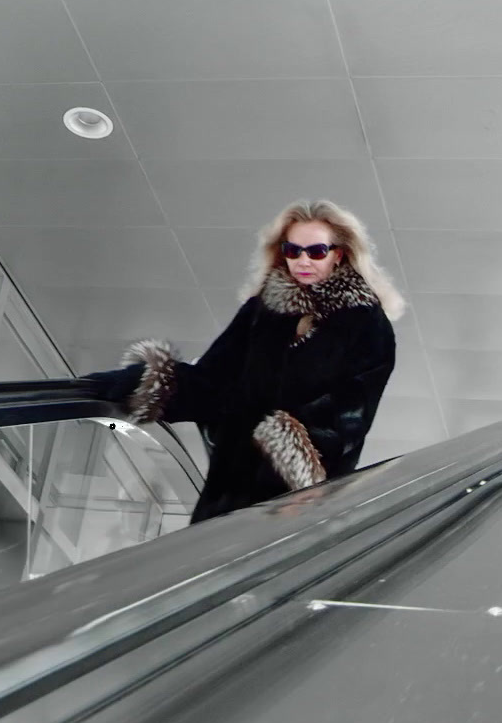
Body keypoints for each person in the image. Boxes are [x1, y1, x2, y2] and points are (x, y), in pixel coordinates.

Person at [87, 200, 402, 524]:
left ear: (339, 253)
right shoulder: (262, 311)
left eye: (316, 251)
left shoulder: (366, 324)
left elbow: (348, 418)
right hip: (228, 487)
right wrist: (151, 383)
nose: (303, 260)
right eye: (292, 250)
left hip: (297, 499)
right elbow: (213, 380)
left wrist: (280, 444)